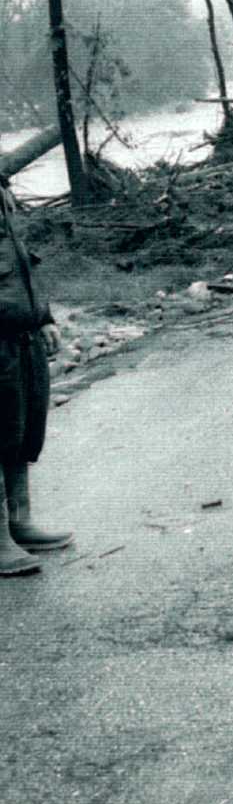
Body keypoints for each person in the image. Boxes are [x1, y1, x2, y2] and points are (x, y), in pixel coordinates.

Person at [0, 180, 68, 576]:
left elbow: (20, 261)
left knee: (20, 428)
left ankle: (17, 524)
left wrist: (42, 316)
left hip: (17, 337)